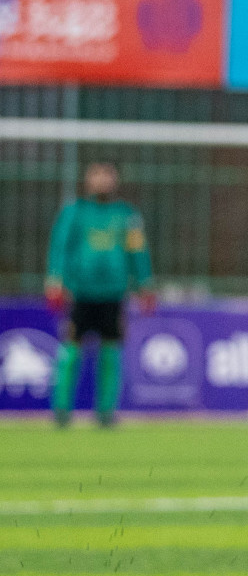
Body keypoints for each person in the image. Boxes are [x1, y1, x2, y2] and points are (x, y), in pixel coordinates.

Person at [45, 162, 154, 428]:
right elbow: (60, 246)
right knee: (71, 351)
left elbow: (137, 251)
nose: (103, 182)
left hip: (113, 293)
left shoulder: (126, 215)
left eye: (107, 177)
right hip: (81, 292)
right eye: (97, 177)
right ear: (88, 181)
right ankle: (61, 410)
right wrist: (54, 279)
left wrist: (145, 283)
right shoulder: (76, 213)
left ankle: (106, 413)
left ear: (114, 181)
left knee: (111, 352)